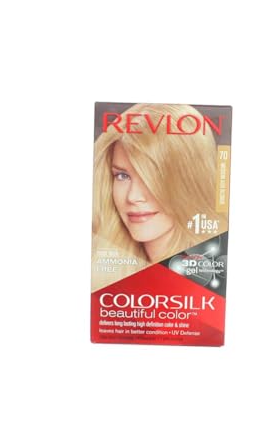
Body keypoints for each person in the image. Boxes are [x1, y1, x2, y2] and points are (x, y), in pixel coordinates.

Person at [92, 103, 228, 289]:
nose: (133, 197)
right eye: (122, 176)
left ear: (191, 180)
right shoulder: (102, 267)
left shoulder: (210, 276)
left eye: (153, 176)